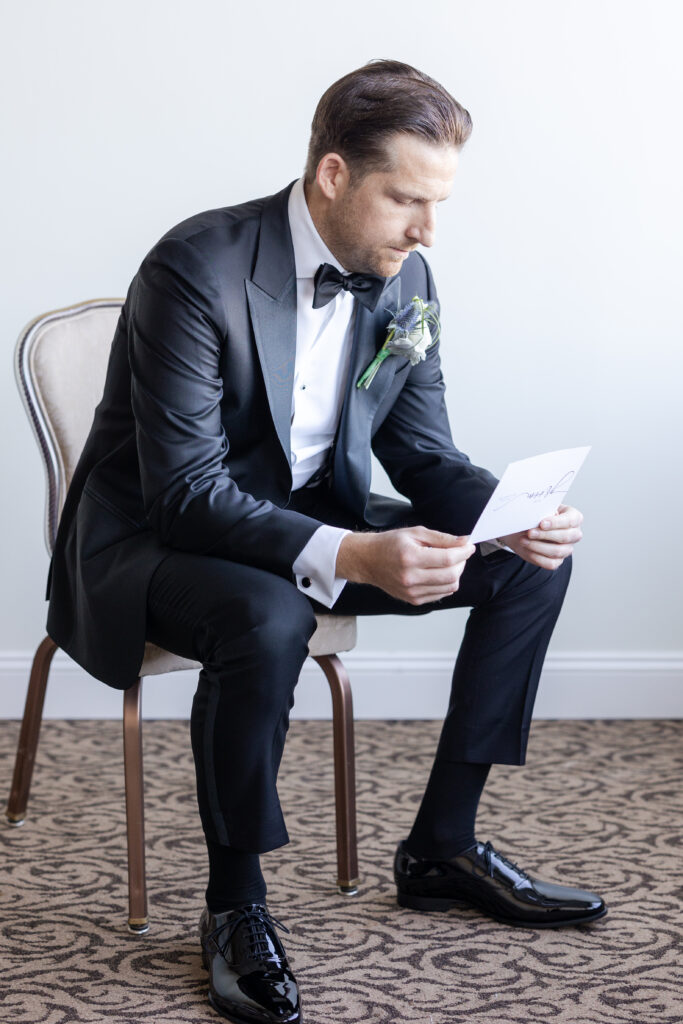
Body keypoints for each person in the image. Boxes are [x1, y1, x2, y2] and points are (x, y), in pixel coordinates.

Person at [46, 59, 605, 1024]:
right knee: (265, 616)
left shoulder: (405, 274)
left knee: (523, 570)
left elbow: (424, 456)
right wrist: (347, 555)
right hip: (154, 539)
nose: (428, 228)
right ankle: (234, 905)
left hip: (311, 519)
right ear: (334, 175)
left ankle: (443, 846)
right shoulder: (192, 266)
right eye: (407, 199)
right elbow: (184, 493)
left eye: (439, 202)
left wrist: (509, 515)